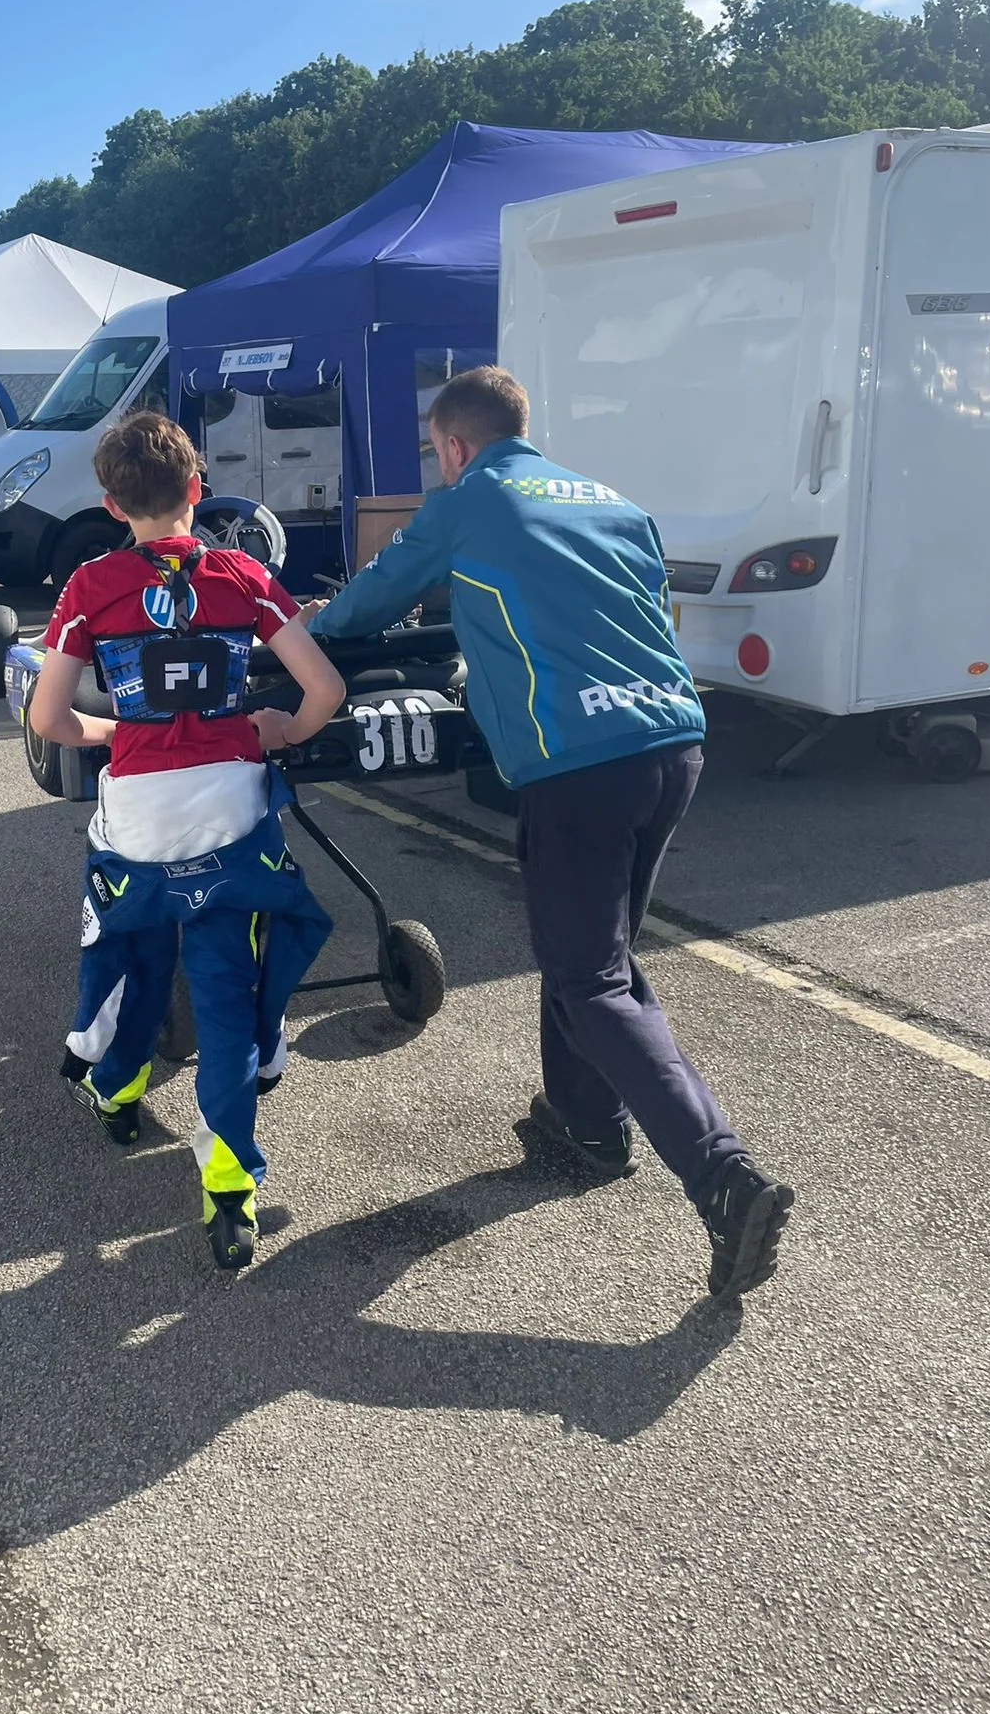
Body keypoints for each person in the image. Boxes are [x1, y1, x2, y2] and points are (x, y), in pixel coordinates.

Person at [307, 366, 794, 1302]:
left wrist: (302, 633)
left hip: (579, 760)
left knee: (590, 976)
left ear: (451, 444)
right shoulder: (610, 499)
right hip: (674, 744)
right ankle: (583, 1124)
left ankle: (725, 1179)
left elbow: (374, 599)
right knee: (595, 956)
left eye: (433, 451)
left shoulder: (466, 499)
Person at [27, 408, 345, 1269]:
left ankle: (119, 1094)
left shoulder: (88, 585)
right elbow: (326, 688)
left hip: (137, 806)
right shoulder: (243, 573)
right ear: (197, 490)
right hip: (228, 807)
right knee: (225, 991)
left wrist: (105, 736)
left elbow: (49, 716)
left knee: (132, 955)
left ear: (109, 502)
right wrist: (275, 727)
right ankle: (229, 1194)